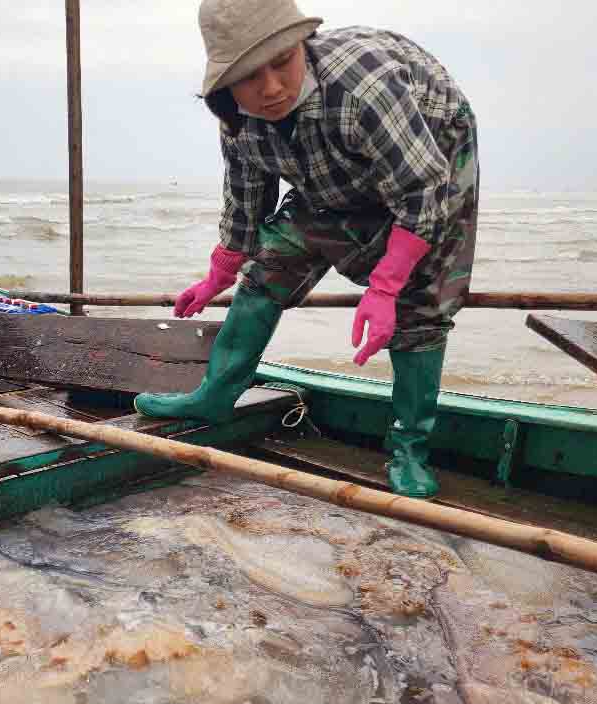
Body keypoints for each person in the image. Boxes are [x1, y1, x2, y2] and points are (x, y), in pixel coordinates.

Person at [133, 0, 479, 499]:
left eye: (283, 62)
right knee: (270, 263)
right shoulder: (238, 118)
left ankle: (409, 447)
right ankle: (215, 395)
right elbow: (247, 195)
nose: (272, 88)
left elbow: (422, 192)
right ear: (225, 85)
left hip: (431, 160)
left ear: (303, 45)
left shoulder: (366, 87)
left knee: (420, 301)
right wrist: (220, 272)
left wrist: (385, 287)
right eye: (251, 76)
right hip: (333, 163)